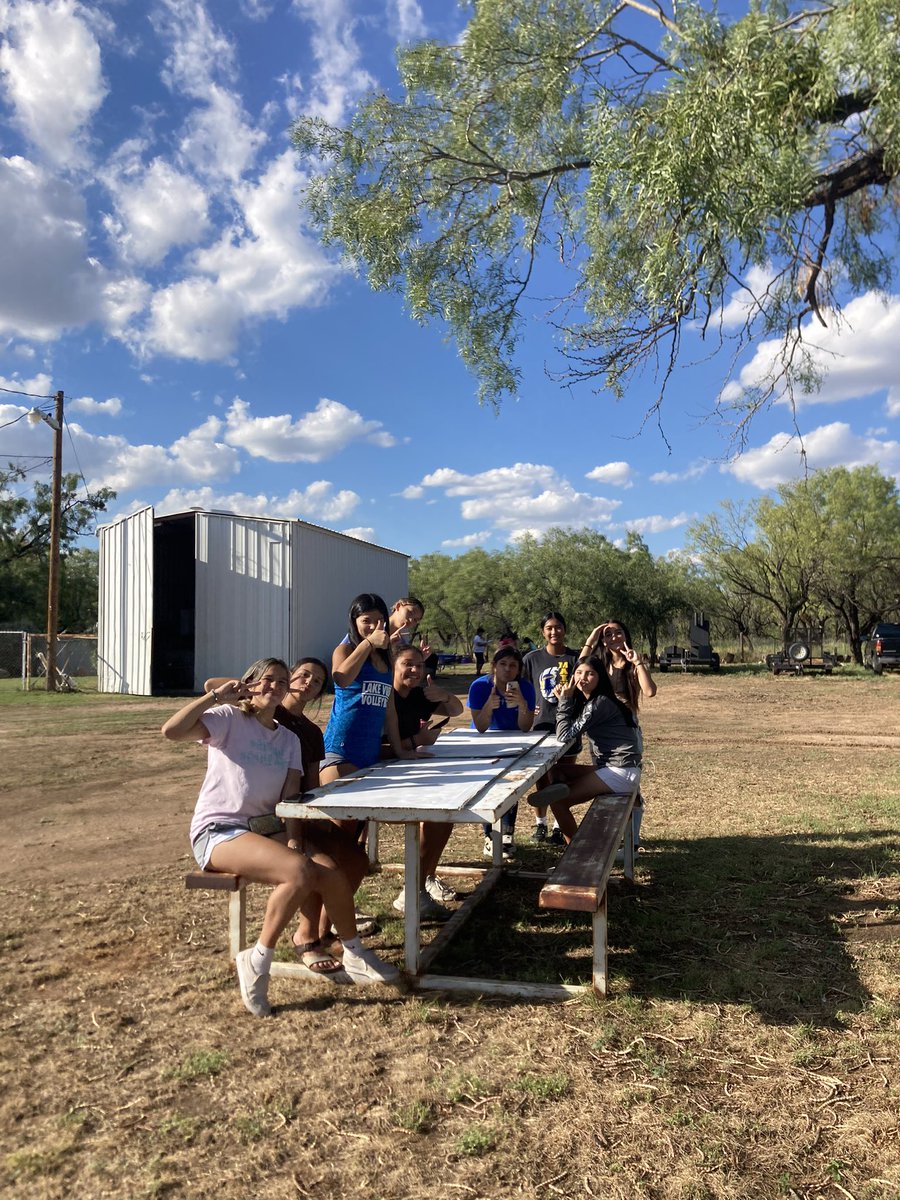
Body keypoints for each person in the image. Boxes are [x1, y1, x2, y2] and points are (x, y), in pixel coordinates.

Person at [163, 657, 399, 1017]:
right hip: (221, 829)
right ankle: (257, 960)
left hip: (267, 828)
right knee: (300, 873)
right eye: (267, 679)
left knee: (331, 872)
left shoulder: (288, 738)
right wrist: (215, 697)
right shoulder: (228, 719)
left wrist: (293, 840)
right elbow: (172, 731)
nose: (274, 686)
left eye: (281, 681)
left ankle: (355, 953)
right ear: (251, 682)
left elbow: (289, 798)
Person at [386, 644, 464, 918]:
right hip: (381, 774)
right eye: (408, 664)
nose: (415, 670)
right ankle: (414, 889)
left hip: (410, 768)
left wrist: (444, 694)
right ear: (393, 666)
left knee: (446, 814)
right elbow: (378, 747)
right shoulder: (384, 696)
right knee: (434, 816)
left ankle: (424, 880)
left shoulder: (419, 694)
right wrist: (417, 741)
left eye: (420, 665)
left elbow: (456, 709)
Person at [529, 655, 642, 844]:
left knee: (558, 803)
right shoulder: (595, 702)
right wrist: (566, 701)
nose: (583, 678)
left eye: (590, 674)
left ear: (600, 678)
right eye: (579, 673)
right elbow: (570, 728)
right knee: (557, 770)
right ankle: (562, 788)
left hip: (619, 772)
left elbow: (564, 736)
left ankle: (576, 850)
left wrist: (564, 701)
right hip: (619, 768)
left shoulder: (600, 703)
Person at [321, 593, 414, 786]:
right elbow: (342, 679)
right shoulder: (344, 650)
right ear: (354, 622)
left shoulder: (387, 660)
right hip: (340, 750)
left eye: (379, 620)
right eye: (366, 621)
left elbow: (390, 712)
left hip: (371, 752)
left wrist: (400, 752)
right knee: (342, 814)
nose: (373, 626)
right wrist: (369, 643)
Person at [580, 619, 656, 850]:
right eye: (608, 634)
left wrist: (638, 662)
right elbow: (579, 668)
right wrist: (591, 640)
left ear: (626, 635)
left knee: (630, 787)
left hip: (625, 732)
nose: (614, 638)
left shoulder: (632, 662)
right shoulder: (599, 663)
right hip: (600, 732)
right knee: (606, 781)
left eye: (618, 633)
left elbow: (650, 691)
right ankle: (615, 838)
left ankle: (632, 842)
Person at [467, 645, 536, 859]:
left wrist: (523, 705)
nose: (507, 669)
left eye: (513, 665)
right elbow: (480, 726)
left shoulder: (525, 687)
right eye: (503, 664)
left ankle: (506, 835)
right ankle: (489, 836)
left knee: (510, 787)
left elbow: (525, 726)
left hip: (514, 742)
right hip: (484, 742)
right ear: (494, 666)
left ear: (518, 670)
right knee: (485, 789)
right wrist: (489, 706)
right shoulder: (480, 686)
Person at [522, 612, 581, 844]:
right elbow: (522, 687)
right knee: (542, 777)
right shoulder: (532, 659)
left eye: (558, 627)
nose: (554, 632)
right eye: (549, 628)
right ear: (542, 632)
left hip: (568, 726)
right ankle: (541, 823)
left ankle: (559, 825)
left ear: (565, 630)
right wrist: (527, 709)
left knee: (562, 777)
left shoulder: (575, 657)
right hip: (541, 726)